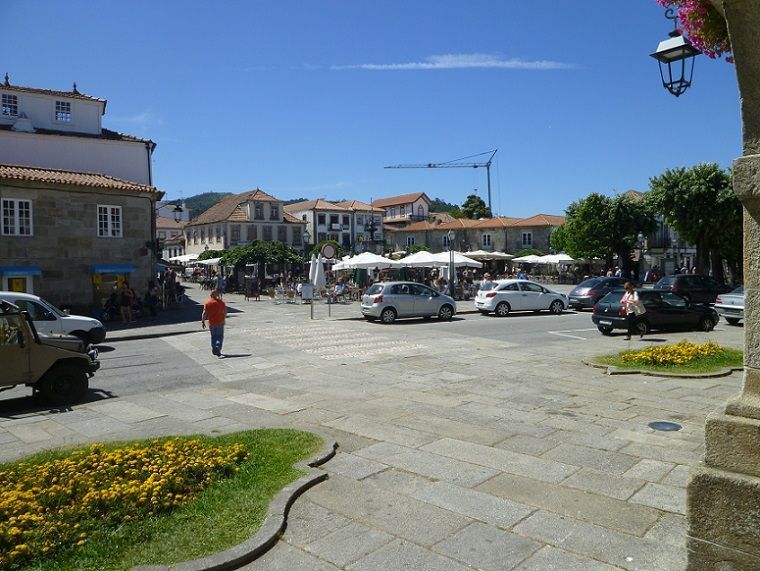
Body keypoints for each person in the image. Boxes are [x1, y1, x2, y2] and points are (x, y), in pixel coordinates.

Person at [201, 290, 227, 357]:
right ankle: (217, 347)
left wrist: (203, 321)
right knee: (220, 336)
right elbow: (225, 312)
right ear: (217, 295)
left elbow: (204, 313)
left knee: (213, 337)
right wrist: (223, 318)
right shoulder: (221, 302)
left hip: (212, 323)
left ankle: (214, 348)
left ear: (211, 295)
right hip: (220, 322)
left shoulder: (207, 303)